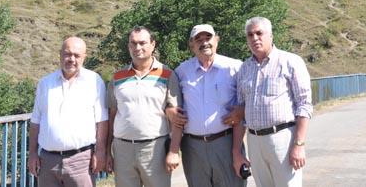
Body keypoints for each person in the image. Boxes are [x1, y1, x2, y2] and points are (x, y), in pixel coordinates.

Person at [232, 17, 312, 187]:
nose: (255, 38)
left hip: (282, 138)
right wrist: (237, 151)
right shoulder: (244, 69)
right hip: (254, 141)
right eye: (250, 35)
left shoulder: (290, 62)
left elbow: (304, 104)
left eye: (259, 33)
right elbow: (240, 113)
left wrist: (299, 144)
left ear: (270, 35)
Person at [106, 26, 183, 187]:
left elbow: (177, 117)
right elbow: (111, 116)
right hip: (122, 150)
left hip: (155, 149)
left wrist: (173, 151)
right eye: (133, 43)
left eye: (142, 43)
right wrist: (107, 152)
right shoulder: (117, 77)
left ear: (152, 44)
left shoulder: (167, 74)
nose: (137, 47)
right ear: (128, 46)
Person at [28, 36, 108, 187]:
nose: (71, 59)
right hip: (47, 162)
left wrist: (100, 152)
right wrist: (32, 153)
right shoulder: (45, 83)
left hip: (81, 161)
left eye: (77, 55)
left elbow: (102, 120)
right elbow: (36, 121)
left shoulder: (94, 81)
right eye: (67, 54)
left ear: (84, 57)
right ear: (60, 54)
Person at [172, 24, 245, 187]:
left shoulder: (235, 68)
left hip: (226, 143)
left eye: (208, 38)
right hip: (193, 148)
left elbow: (247, 104)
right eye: (198, 39)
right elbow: (173, 106)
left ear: (217, 40)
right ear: (191, 45)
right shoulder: (181, 72)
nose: (204, 42)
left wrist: (243, 111)